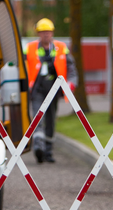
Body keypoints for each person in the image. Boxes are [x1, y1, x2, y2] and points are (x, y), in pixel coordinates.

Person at [25, 18, 78, 163]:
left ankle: (48, 151)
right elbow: (22, 68)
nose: (45, 35)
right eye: (42, 32)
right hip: (37, 90)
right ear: (38, 34)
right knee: (37, 118)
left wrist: (71, 84)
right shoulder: (29, 48)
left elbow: (71, 69)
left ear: (52, 33)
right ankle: (39, 148)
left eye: (48, 32)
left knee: (50, 120)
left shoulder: (61, 47)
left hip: (54, 90)